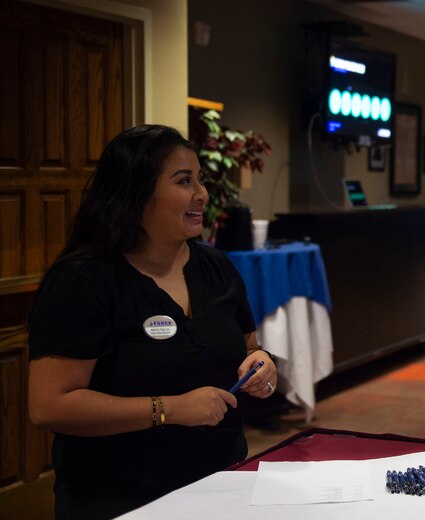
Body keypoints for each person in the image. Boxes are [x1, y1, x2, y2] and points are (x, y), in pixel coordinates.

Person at [27, 125, 277, 519]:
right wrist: (170, 409)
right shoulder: (83, 281)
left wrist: (261, 365)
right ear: (136, 193)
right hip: (122, 498)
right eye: (184, 181)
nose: (202, 194)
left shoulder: (217, 268)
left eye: (200, 180)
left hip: (222, 485)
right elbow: (49, 406)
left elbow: (249, 347)